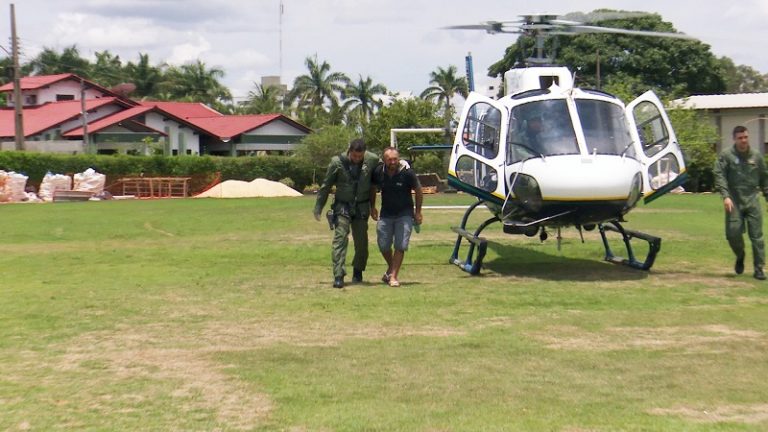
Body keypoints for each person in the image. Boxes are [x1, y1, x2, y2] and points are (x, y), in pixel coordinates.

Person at [314, 139, 380, 288]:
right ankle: (338, 274)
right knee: (340, 239)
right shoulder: (336, 163)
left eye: (360, 156)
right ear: (349, 151)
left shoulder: (373, 160)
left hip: (362, 207)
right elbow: (326, 185)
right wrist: (318, 207)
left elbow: (379, 177)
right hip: (342, 206)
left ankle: (358, 270)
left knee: (362, 242)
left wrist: (373, 206)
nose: (357, 159)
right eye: (354, 156)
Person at [713, 125, 768, 280]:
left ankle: (759, 269)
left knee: (757, 236)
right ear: (734, 139)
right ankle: (740, 254)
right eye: (740, 138)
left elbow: (764, 178)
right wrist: (725, 196)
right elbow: (719, 174)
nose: (743, 140)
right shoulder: (727, 156)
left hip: (752, 201)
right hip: (734, 201)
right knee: (732, 234)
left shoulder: (756, 156)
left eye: (745, 137)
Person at [370, 146, 423, 287]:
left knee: (400, 245)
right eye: (389, 159)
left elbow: (418, 191)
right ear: (384, 160)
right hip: (386, 214)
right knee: (383, 245)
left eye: (395, 159)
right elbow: (373, 188)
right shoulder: (378, 172)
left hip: (404, 214)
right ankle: (391, 269)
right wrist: (372, 207)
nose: (393, 162)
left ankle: (393, 276)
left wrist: (418, 212)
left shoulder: (407, 173)